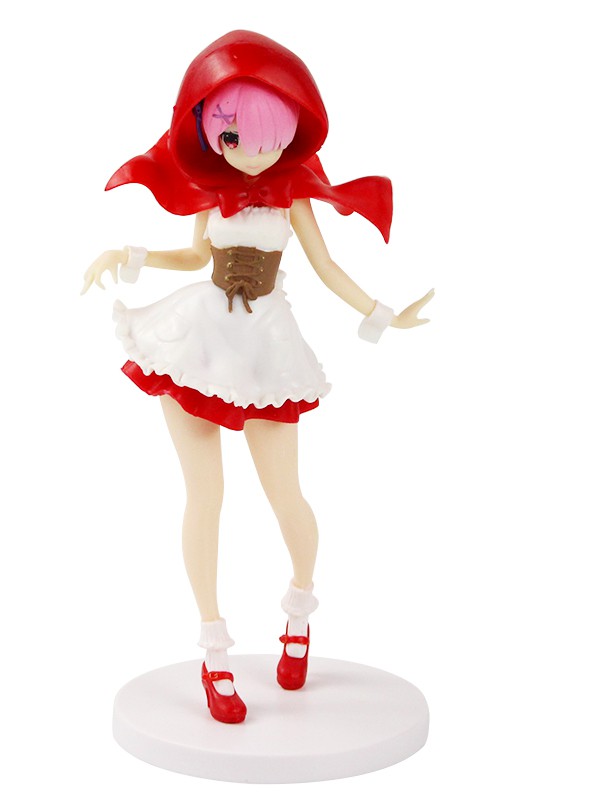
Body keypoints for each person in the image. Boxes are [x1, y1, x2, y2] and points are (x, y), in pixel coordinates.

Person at [82, 30, 432, 724]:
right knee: (204, 495)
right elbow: (193, 259)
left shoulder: (290, 194)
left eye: (269, 136)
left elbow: (327, 268)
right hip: (198, 338)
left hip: (267, 348)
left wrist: (384, 314)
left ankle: (299, 611)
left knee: (285, 495)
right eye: (235, 136)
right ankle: (213, 650)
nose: (251, 152)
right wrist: (130, 255)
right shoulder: (213, 194)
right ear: (212, 133)